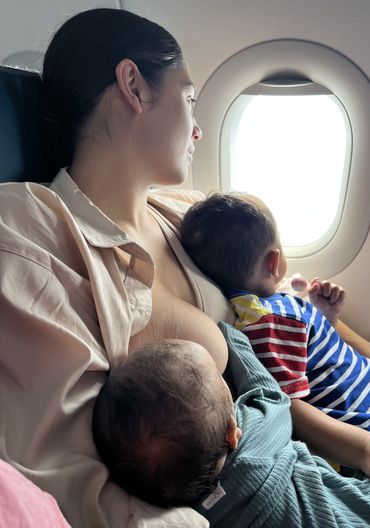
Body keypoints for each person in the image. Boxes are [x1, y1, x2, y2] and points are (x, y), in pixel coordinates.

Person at [0, 7, 230, 528]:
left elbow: (268, 314)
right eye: (190, 99)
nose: (199, 129)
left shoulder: (182, 212)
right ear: (134, 86)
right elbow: (77, 486)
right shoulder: (29, 228)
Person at [92, 323, 370, 527]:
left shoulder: (195, 515)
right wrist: (232, 335)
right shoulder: (255, 440)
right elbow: (272, 395)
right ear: (232, 433)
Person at [181, 192, 370, 465]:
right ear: (273, 262)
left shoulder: (275, 308)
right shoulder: (270, 323)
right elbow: (293, 405)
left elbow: (315, 354)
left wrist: (326, 317)